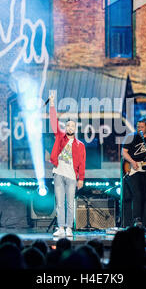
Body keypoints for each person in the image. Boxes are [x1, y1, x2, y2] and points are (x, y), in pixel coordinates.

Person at [49, 93, 86, 238]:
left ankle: (69, 227)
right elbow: (53, 122)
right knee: (60, 203)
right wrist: (52, 103)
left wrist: (81, 178)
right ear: (66, 127)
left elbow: (82, 163)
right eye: (68, 125)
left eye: (73, 125)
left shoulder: (80, 145)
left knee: (70, 203)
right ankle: (61, 228)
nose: (70, 127)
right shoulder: (60, 137)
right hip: (58, 173)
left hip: (71, 176)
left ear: (75, 128)